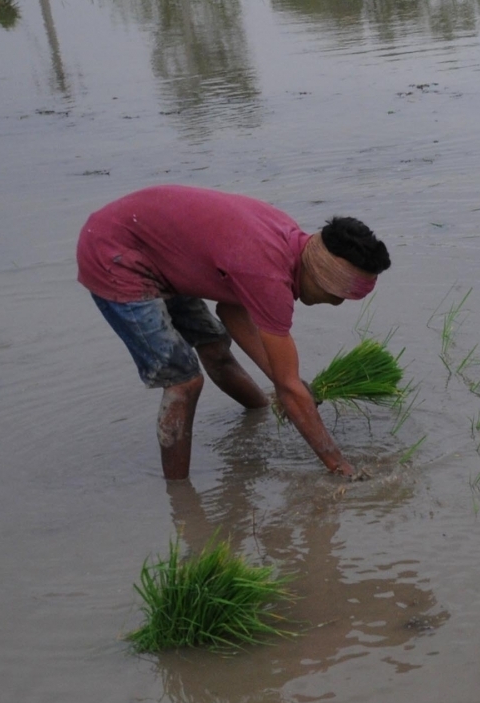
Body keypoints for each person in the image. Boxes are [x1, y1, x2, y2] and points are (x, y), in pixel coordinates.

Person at [78, 185, 391, 481]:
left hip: (156, 249)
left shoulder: (289, 243)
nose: (337, 303)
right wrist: (339, 465)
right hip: (114, 253)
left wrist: (287, 386)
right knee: (183, 381)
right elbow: (289, 386)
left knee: (215, 348)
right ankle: (180, 497)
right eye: (338, 294)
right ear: (322, 274)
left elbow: (231, 311)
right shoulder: (269, 275)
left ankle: (258, 414)